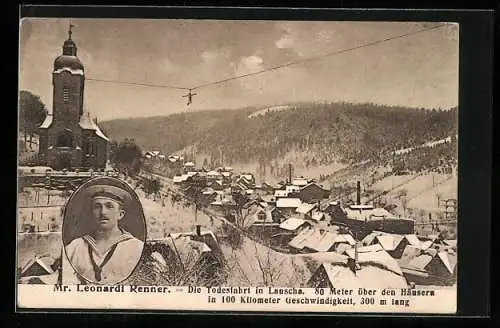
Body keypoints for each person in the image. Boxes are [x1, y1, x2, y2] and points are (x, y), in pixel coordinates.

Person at [64, 184, 144, 285]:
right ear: (92, 212)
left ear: (120, 214)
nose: (103, 212)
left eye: (109, 206)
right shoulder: (74, 247)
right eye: (97, 206)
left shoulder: (137, 248)